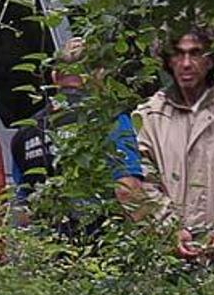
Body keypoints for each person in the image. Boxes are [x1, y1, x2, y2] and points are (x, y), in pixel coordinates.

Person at [129, 25, 214, 261]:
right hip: (167, 254)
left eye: (196, 53)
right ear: (168, 61)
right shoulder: (149, 114)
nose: (186, 63)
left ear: (210, 60)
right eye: (178, 54)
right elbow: (144, 182)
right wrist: (171, 230)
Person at [10, 37, 144, 233]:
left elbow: (22, 211)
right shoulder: (110, 120)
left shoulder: (25, 134)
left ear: (55, 77)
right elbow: (126, 189)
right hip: (101, 250)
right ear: (97, 75)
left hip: (48, 253)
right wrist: (155, 237)